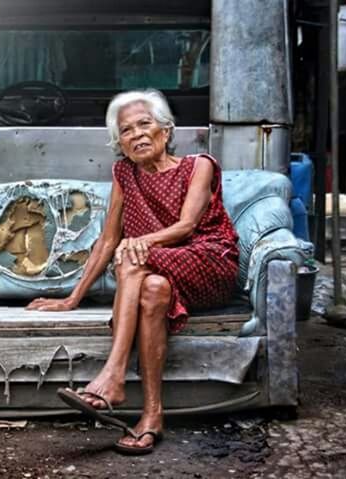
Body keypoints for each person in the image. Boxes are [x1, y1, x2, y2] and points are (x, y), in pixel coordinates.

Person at [26, 89, 239, 455]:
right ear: (119, 143)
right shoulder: (125, 174)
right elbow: (107, 241)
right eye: (126, 130)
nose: (137, 134)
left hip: (209, 261)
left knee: (132, 256)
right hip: (161, 273)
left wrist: (138, 243)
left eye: (146, 124)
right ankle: (152, 417)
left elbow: (187, 226)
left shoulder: (198, 165)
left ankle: (113, 375)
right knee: (153, 288)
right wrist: (72, 299)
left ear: (166, 131)